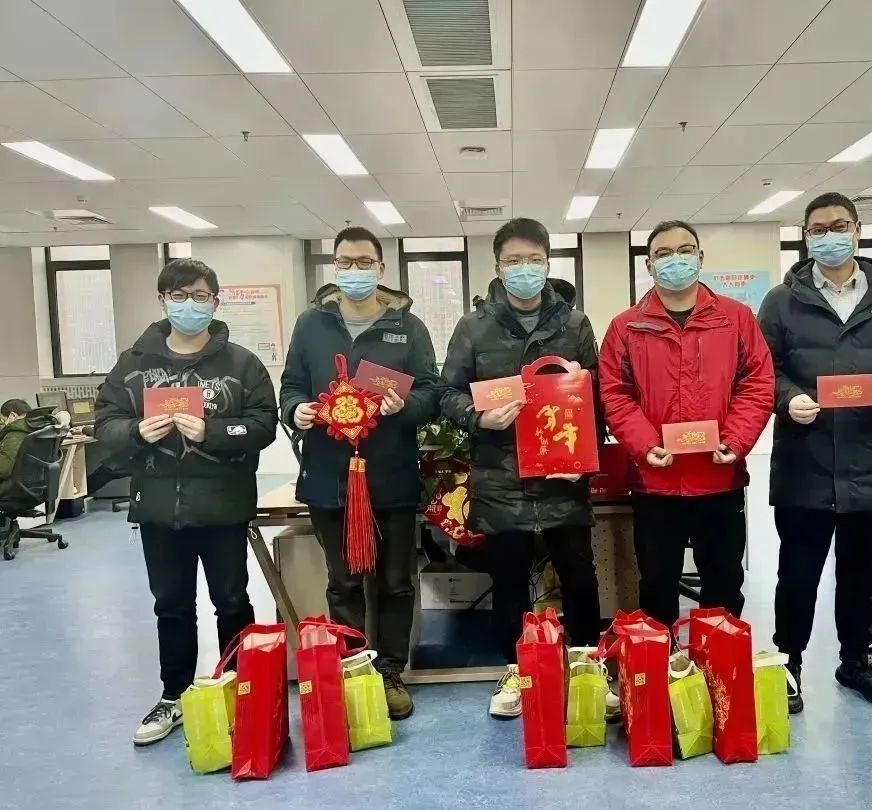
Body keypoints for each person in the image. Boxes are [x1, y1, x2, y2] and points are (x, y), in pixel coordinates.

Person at [757, 192, 872, 714]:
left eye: (838, 226)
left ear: (857, 229)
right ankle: (788, 663)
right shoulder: (781, 301)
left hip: (868, 460)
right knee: (797, 575)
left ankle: (857, 660)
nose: (829, 236)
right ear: (805, 237)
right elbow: (762, 372)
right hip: (804, 462)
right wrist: (789, 399)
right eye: (818, 229)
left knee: (862, 576)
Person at [95, 258, 277, 746]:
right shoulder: (134, 364)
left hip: (223, 507)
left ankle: (241, 688)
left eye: (199, 296)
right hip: (159, 509)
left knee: (232, 600)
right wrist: (136, 431)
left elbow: (263, 424)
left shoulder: (241, 364)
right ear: (163, 301)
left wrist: (213, 431)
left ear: (215, 301)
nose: (189, 305)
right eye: (179, 296)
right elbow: (105, 424)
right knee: (171, 605)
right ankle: (173, 694)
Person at [440, 217, 611, 720]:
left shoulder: (574, 325)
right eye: (514, 261)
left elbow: (597, 399)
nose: (525, 269)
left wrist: (585, 456)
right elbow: (448, 393)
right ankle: (518, 670)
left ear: (548, 263)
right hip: (501, 477)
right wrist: (479, 417)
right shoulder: (474, 328)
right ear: (497, 267)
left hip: (563, 477)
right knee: (510, 581)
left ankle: (587, 666)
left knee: (579, 575)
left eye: (534, 260)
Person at [280, 226, 440, 721]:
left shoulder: (408, 328)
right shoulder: (311, 325)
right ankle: (352, 670)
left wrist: (405, 406)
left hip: (390, 477)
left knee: (395, 582)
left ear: (381, 268)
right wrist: (296, 410)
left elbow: (431, 392)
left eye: (364, 263)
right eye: (345, 263)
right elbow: (290, 386)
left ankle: (390, 671)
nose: (355, 271)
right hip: (329, 477)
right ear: (334, 267)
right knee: (343, 582)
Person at [599, 220, 774, 629]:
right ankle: (659, 663)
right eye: (663, 253)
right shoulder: (626, 327)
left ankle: (718, 660)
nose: (674, 260)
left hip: (719, 477)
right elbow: (614, 392)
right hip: (655, 482)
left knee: (724, 584)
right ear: (648, 264)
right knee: (657, 585)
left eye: (684, 250)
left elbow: (758, 382)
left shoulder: (735, 319)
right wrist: (645, 445)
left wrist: (735, 439)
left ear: (700, 257)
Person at [0, 399, 56, 499]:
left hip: (12, 489)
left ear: (12, 415)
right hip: (38, 487)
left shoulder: (15, 434)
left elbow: (3, 470)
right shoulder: (41, 429)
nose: (4, 424)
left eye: (4, 420)